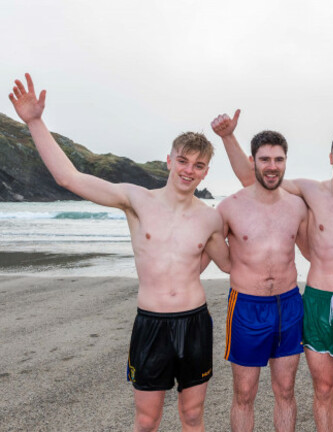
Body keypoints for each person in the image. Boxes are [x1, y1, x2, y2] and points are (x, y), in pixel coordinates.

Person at [9, 74, 230, 432]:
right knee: (146, 420)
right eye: (184, 160)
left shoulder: (210, 218)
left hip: (195, 323)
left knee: (192, 416)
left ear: (206, 172)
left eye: (199, 165)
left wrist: (247, 223)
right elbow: (70, 178)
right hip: (151, 324)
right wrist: (35, 121)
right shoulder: (135, 199)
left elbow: (232, 263)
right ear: (169, 160)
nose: (189, 170)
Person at [212, 112, 333, 431]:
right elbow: (255, 178)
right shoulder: (309, 191)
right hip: (296, 302)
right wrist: (229, 137)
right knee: (304, 390)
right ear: (330, 157)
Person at [216, 130, 309, 432]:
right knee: (244, 394)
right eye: (265, 159)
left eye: (278, 159)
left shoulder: (297, 206)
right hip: (246, 306)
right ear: (252, 162)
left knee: (285, 391)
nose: (272, 166)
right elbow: (208, 249)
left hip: (289, 304)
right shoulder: (229, 206)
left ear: (285, 162)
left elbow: (314, 251)